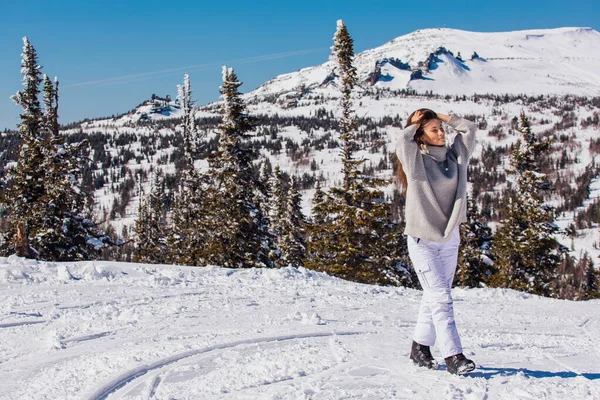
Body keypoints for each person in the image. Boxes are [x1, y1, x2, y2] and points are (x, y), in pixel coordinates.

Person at [395, 108, 477, 375]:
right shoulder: (415, 161)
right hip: (423, 241)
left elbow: (469, 130)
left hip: (450, 238)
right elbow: (402, 142)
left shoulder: (455, 157)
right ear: (421, 136)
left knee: (435, 296)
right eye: (434, 130)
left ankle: (419, 347)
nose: (441, 133)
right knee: (440, 298)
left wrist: (443, 117)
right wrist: (416, 122)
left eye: (441, 129)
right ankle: (454, 355)